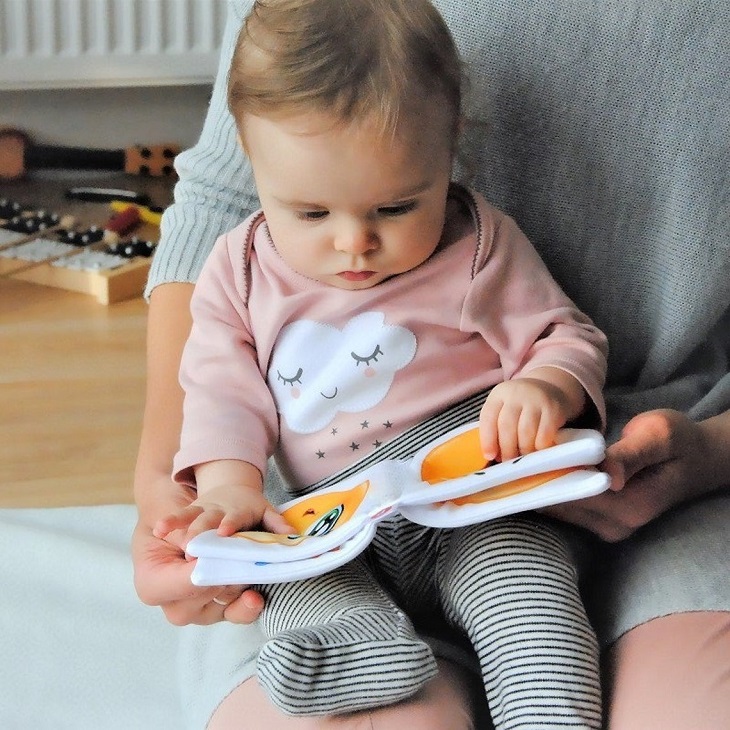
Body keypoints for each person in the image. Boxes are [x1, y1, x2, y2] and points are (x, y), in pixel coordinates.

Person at [132, 1, 730, 729]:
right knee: (294, 583)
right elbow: (222, 391)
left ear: (449, 153)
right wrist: (227, 486)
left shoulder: (475, 244)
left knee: (528, 594)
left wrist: (546, 386)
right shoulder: (242, 268)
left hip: (473, 503)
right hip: (326, 520)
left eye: (394, 208)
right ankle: (360, 651)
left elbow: (565, 335)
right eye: (312, 213)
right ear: (255, 166)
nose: (355, 244)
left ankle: (547, 713)